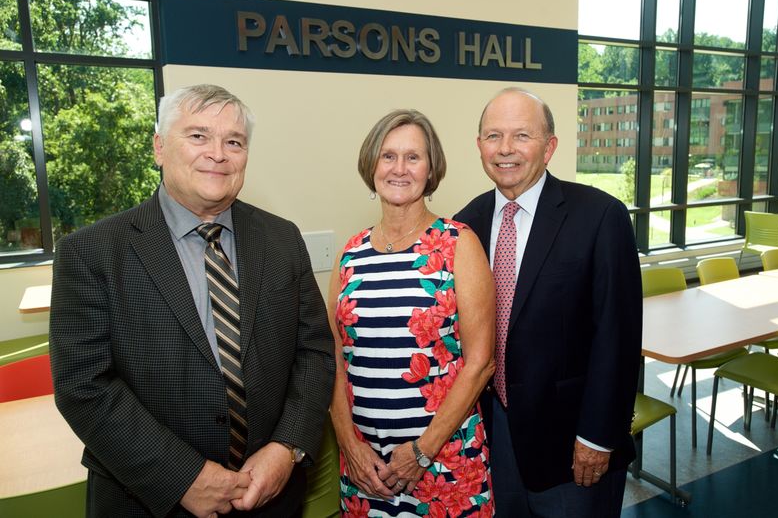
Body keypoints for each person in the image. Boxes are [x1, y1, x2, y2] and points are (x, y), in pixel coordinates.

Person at [50, 84, 336, 517]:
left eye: (233, 141)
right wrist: (181, 476)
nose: (218, 153)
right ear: (160, 147)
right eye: (198, 136)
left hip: (270, 497)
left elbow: (314, 352)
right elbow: (83, 386)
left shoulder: (282, 239)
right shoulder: (92, 252)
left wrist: (286, 447)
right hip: (147, 499)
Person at [454, 88, 642, 517]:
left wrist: (597, 438)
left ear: (550, 147)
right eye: (493, 136)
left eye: (521, 135)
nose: (505, 149)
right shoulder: (465, 225)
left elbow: (618, 338)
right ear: (479, 145)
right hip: (489, 435)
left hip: (572, 444)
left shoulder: (600, 216)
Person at [327, 110, 496, 516]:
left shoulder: (459, 244)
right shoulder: (350, 253)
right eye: (388, 156)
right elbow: (331, 357)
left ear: (431, 168)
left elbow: (481, 362)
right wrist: (349, 445)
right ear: (372, 165)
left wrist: (421, 452)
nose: (399, 169)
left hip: (443, 465)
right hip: (365, 469)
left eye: (413, 157)